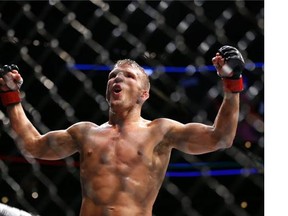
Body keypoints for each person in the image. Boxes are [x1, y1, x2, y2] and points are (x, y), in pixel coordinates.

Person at [0, 45, 244, 216]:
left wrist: (232, 83)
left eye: (128, 76)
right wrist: (11, 97)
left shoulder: (159, 131)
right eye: (113, 76)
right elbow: (33, 145)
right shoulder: (85, 133)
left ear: (143, 94)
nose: (117, 79)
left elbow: (220, 138)